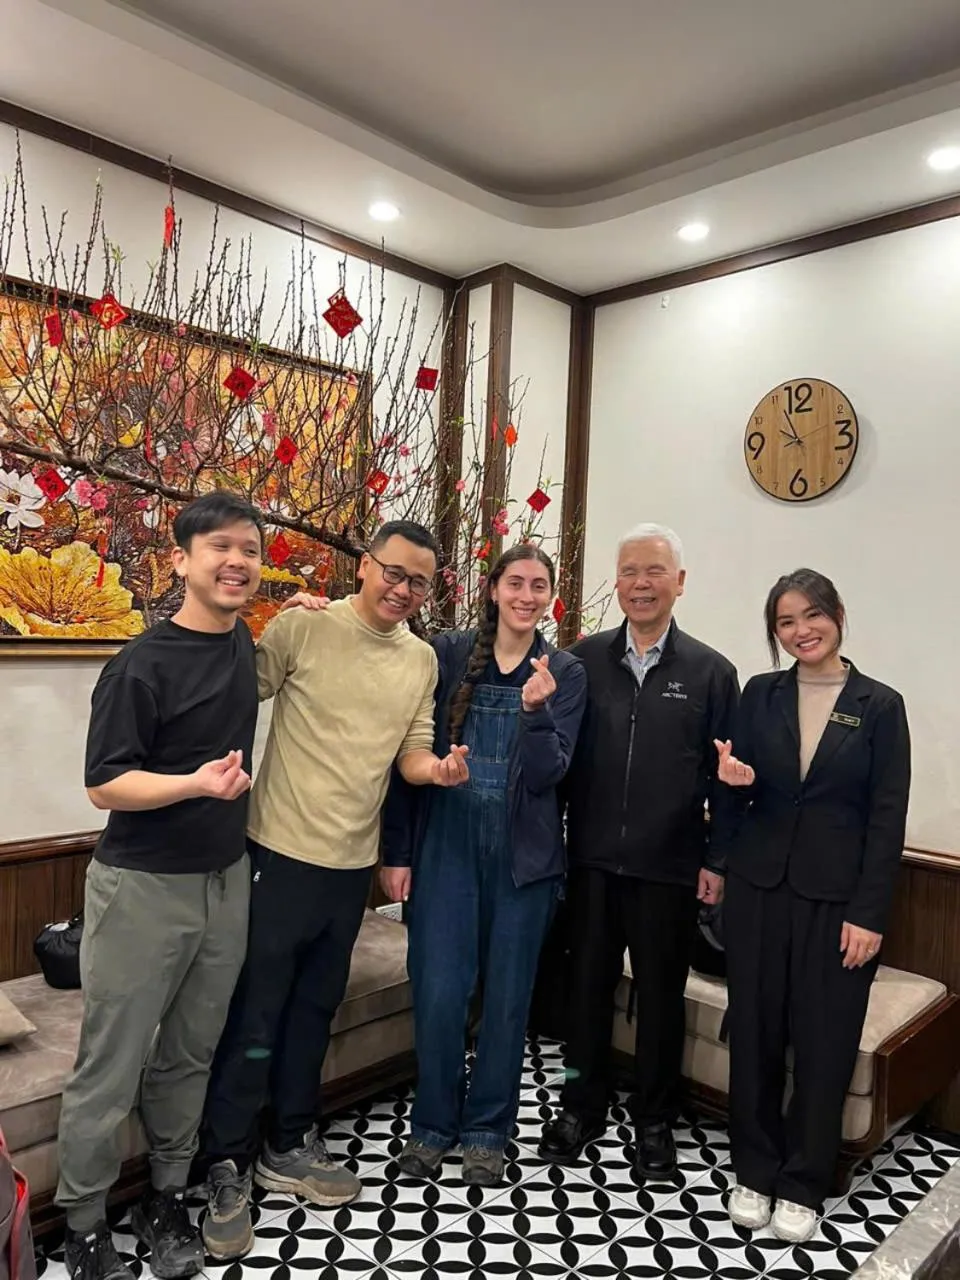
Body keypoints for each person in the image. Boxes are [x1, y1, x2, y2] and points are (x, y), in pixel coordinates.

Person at [200, 520, 471, 1261]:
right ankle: (224, 1160)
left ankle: (288, 1142)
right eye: (393, 571)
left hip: (351, 865)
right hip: (278, 851)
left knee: (315, 1010)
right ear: (365, 565)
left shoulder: (419, 660)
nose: (402, 589)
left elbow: (412, 751)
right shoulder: (303, 630)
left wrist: (438, 771)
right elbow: (231, 689)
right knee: (255, 1012)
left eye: (418, 581)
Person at [57, 491, 265, 1280]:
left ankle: (167, 1195)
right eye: (219, 547)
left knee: (189, 1055)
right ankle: (82, 1223)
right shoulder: (138, 664)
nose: (236, 561)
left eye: (248, 548)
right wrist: (192, 786)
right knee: (110, 1064)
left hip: (225, 882)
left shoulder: (245, 641)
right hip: (142, 888)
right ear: (180, 559)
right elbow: (103, 786)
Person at [714, 569, 910, 1244]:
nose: (801, 631)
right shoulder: (759, 693)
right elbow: (743, 796)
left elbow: (887, 819)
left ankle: (803, 1181)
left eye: (812, 616)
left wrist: (871, 913)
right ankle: (754, 1169)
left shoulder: (878, 706)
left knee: (825, 1045)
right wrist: (734, 784)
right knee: (757, 1034)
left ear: (838, 615)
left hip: (837, 903)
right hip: (760, 889)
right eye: (786, 622)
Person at [381, 545, 587, 1187]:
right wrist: (397, 853)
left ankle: (487, 1132)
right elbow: (407, 754)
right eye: (516, 583)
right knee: (438, 992)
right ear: (493, 589)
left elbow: (554, 772)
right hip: (446, 845)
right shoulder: (444, 653)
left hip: (525, 861)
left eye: (540, 586)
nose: (527, 596)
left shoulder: (567, 671)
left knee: (506, 998)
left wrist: (535, 710)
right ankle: (433, 1126)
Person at [539, 523, 740, 1178]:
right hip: (592, 863)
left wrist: (717, 861)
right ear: (616, 582)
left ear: (679, 583)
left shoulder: (712, 674)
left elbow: (726, 779)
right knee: (585, 996)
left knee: (660, 1001)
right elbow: (560, 761)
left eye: (655, 571)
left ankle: (654, 1122)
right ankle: (579, 1105)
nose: (641, 584)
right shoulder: (582, 659)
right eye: (629, 571)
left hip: (670, 870)